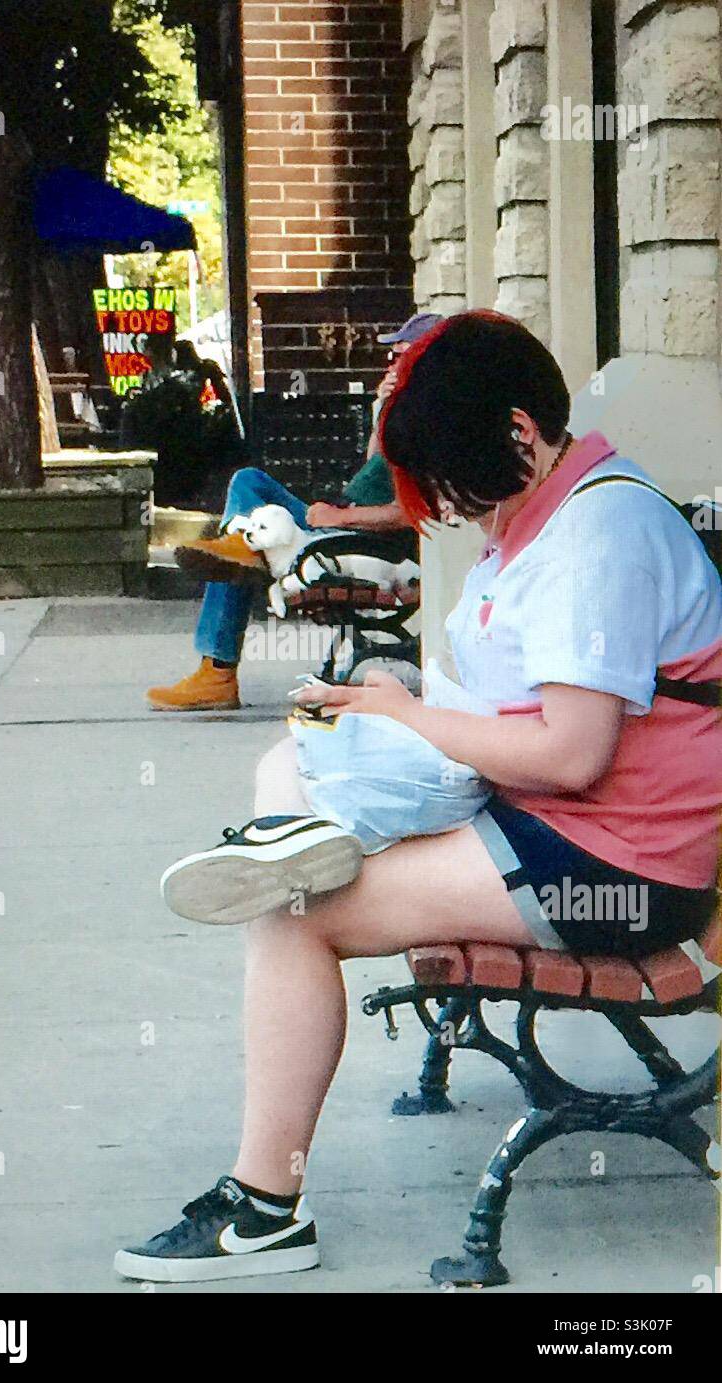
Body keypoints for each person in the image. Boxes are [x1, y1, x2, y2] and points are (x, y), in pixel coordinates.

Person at [113, 311, 722, 1285]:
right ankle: (292, 828)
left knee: (294, 913)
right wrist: (378, 721)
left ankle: (264, 1210)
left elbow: (571, 753)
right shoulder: (545, 512)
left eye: (457, 484)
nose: (448, 508)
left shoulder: (597, 532)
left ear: (522, 435)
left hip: (619, 862)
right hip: (558, 827)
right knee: (303, 807)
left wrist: (402, 711)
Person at [145, 313, 444, 712]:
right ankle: (239, 549)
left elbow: (415, 513)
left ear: (426, 361)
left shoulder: (438, 426)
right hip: (339, 521)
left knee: (239, 546)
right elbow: (376, 467)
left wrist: (342, 519)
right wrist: (382, 411)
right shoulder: (408, 414)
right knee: (248, 485)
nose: (390, 365)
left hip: (359, 540)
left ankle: (216, 671)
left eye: (400, 356)